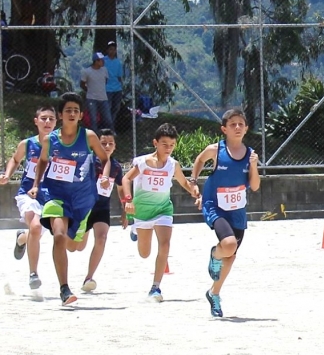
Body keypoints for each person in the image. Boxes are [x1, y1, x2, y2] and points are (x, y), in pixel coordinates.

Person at [29, 92, 109, 305]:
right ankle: (64, 289)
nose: (72, 113)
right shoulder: (50, 139)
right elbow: (43, 162)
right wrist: (36, 185)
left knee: (75, 246)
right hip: (55, 195)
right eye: (68, 110)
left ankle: (76, 232)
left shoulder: (89, 136)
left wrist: (105, 176)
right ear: (60, 115)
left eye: (75, 110)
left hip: (82, 197)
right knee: (59, 236)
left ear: (81, 114)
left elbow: (104, 159)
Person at [189, 108, 261, 317]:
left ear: (246, 128)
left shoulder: (250, 155)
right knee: (228, 245)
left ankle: (214, 293)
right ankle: (214, 254)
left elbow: (255, 186)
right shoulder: (215, 150)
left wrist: (254, 166)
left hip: (237, 211)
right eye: (233, 124)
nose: (237, 127)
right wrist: (194, 182)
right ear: (224, 129)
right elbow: (200, 160)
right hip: (215, 206)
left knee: (230, 256)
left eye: (241, 124)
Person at [121, 123, 199, 302]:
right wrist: (128, 200)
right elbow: (126, 179)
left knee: (165, 245)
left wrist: (194, 191)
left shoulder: (173, 165)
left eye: (172, 145)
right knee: (144, 253)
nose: (169, 148)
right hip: (141, 212)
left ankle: (155, 287)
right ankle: (136, 232)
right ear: (155, 143)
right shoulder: (142, 162)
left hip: (163, 209)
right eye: (165, 144)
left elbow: (184, 182)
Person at [0, 106, 57, 289]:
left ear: (56, 122)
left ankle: (22, 238)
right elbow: (15, 159)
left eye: (51, 119)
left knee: (36, 232)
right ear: (36, 121)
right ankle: (33, 274)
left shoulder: (60, 145)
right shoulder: (27, 144)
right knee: (36, 227)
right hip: (28, 194)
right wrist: (7, 175)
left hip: (52, 196)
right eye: (43, 118)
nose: (47, 122)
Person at [72, 129, 127, 292]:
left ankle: (89, 277)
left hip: (102, 209)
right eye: (103, 143)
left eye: (111, 143)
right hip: (83, 209)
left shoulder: (116, 167)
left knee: (102, 238)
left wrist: (125, 211)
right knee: (77, 247)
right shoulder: (88, 162)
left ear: (115, 146)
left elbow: (120, 189)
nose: (107, 146)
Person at [80, 52, 113, 134]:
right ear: (96, 61)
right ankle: (94, 135)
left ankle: (110, 133)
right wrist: (89, 90)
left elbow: (105, 81)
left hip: (103, 98)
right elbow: (82, 84)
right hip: (91, 98)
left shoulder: (104, 70)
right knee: (93, 119)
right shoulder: (87, 72)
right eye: (101, 60)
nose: (103, 62)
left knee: (108, 118)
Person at [103, 41, 124, 126]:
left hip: (117, 89)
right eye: (110, 49)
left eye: (114, 49)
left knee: (115, 108)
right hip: (107, 88)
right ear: (107, 50)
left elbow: (119, 76)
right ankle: (107, 126)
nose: (112, 51)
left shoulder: (118, 62)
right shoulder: (103, 61)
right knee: (107, 108)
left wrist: (121, 86)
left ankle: (111, 125)